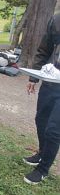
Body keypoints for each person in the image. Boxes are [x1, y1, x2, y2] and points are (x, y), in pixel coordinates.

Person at [23, 13, 60, 184]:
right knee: (41, 120)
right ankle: (41, 154)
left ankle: (43, 169)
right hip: (51, 80)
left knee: (53, 129)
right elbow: (44, 49)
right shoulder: (56, 19)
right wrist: (34, 77)